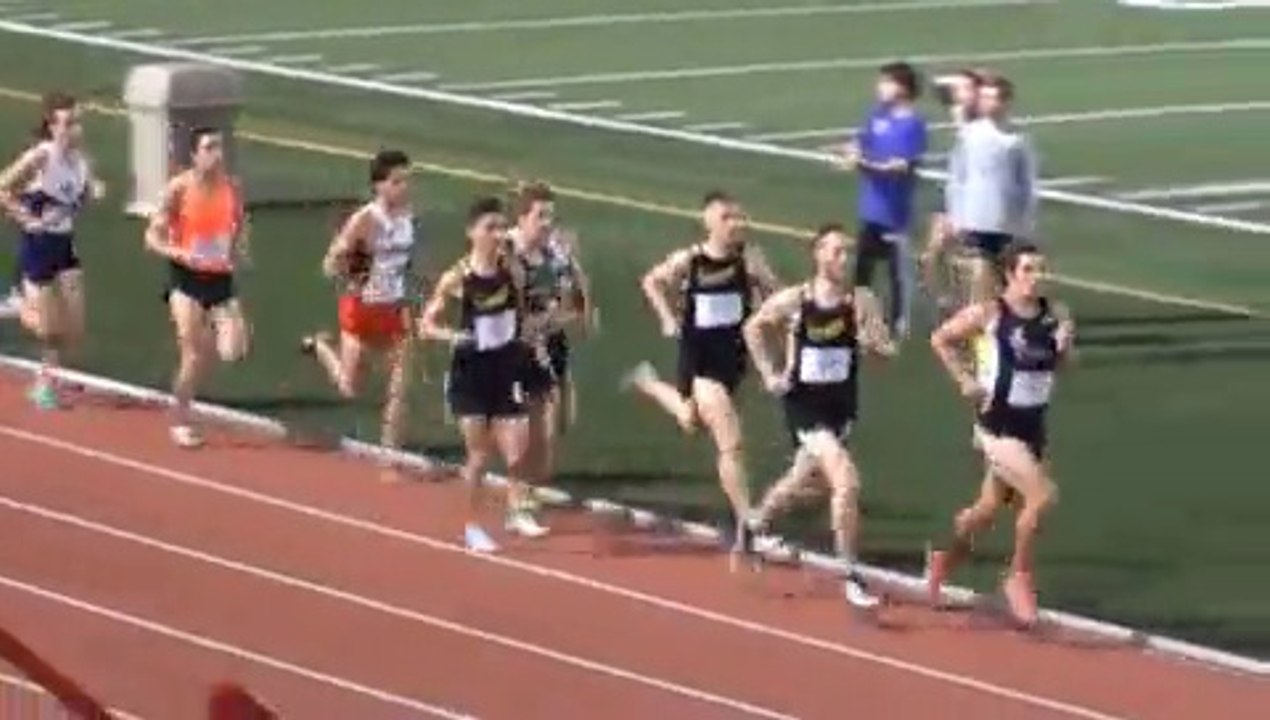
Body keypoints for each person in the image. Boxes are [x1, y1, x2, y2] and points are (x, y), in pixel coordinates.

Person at [741, 223, 896, 608]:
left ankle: (754, 524)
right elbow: (753, 328)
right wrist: (770, 374)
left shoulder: (861, 301)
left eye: (847, 252)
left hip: (841, 407)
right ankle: (851, 574)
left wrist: (871, 345)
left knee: (801, 479)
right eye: (836, 251)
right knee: (846, 481)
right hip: (804, 406)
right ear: (818, 254)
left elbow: (885, 354)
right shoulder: (797, 300)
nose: (843, 259)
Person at [623, 190, 780, 561]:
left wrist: (768, 317)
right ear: (708, 221)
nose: (736, 224)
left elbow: (777, 298)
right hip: (700, 360)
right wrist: (666, 317)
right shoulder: (690, 260)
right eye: (727, 217)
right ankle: (750, 525)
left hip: (735, 359)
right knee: (732, 442)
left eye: (740, 217)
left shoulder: (751, 261)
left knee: (692, 420)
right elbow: (651, 281)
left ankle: (648, 382)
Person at [925, 242, 1074, 627]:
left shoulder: (1054, 315)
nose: (1035, 276)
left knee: (986, 512)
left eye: (1040, 269)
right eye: (1027, 269)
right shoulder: (991, 313)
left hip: (1032, 427)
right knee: (1042, 495)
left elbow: (1059, 369)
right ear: (1010, 273)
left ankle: (944, 558)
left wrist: (1065, 349)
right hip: (997, 425)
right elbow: (940, 339)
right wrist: (965, 380)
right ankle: (1018, 576)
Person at [418, 195, 544, 552]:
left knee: (518, 449)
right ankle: (471, 525)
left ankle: (515, 509)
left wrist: (530, 337)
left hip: (505, 369)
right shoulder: (457, 279)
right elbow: (426, 325)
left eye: (502, 227)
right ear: (471, 232)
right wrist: (454, 336)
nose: (498, 234)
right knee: (479, 455)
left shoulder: (512, 271)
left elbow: (521, 313)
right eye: (490, 227)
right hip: (470, 374)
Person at [302, 149, 417, 479]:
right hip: (361, 309)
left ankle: (390, 458)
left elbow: (401, 261)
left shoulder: (407, 215)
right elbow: (330, 264)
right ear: (379, 186)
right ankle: (321, 348)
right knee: (350, 388)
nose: (404, 187)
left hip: (393, 308)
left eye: (407, 180)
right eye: (397, 181)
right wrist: (350, 269)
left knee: (399, 388)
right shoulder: (366, 219)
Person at [144, 126, 250, 448]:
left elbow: (239, 225)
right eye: (208, 148)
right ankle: (180, 417)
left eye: (219, 147)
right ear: (194, 155)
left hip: (220, 279)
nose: (216, 154)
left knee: (234, 350)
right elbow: (151, 237)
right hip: (186, 281)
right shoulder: (179, 189)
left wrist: (236, 253)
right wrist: (178, 252)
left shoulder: (231, 187)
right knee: (192, 355)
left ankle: (191, 380)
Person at [0, 92, 104, 408]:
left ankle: (25, 314)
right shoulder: (41, 156)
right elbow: (3, 188)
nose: (75, 129)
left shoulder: (81, 162)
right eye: (68, 123)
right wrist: (25, 218)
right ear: (53, 126)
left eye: (77, 123)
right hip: (38, 247)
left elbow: (77, 201)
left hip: (64, 246)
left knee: (73, 327)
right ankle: (44, 382)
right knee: (49, 327)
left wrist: (92, 193)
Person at [506, 180, 594, 518]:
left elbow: (577, 279)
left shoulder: (556, 248)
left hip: (552, 339)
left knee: (559, 418)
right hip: (521, 345)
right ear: (523, 217)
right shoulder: (507, 250)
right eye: (541, 216)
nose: (547, 223)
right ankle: (519, 494)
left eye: (550, 216)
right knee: (531, 420)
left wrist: (583, 313)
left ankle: (530, 484)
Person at [842, 61, 928, 339]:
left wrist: (863, 165)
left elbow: (900, 167)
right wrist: (852, 151)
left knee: (896, 275)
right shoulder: (877, 114)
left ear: (902, 88)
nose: (879, 88)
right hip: (871, 209)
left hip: (895, 213)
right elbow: (859, 140)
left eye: (886, 82)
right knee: (862, 269)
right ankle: (856, 318)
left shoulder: (913, 125)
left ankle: (899, 325)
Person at [942, 72, 1038, 308]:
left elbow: (1026, 182)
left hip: (1005, 223)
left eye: (992, 98)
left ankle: (998, 329)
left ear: (1005, 102)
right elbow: (958, 176)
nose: (986, 103)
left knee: (1004, 284)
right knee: (979, 279)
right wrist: (955, 215)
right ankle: (977, 332)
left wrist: (1025, 220)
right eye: (983, 97)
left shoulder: (1016, 140)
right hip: (975, 221)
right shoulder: (970, 134)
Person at [920, 68, 983, 315]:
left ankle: (972, 304)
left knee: (969, 254)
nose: (960, 93)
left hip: (974, 194)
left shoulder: (981, 116)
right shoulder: (961, 109)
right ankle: (945, 300)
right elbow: (939, 87)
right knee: (933, 252)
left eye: (966, 89)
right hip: (956, 188)